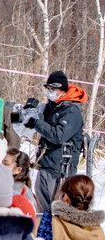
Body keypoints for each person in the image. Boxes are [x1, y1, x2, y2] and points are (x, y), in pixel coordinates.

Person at [28, 70, 86, 213]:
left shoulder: (72, 110)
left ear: (62, 90)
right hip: (45, 163)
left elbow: (59, 135)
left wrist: (37, 123)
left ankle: (59, 234)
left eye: (53, 89)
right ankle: (42, 233)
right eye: (48, 89)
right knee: (42, 208)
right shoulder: (51, 107)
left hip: (61, 168)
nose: (50, 92)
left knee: (59, 209)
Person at [5, 148, 37, 219]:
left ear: (18, 170)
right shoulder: (5, 187)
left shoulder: (18, 193)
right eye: (2, 163)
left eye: (6, 164)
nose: (1, 166)